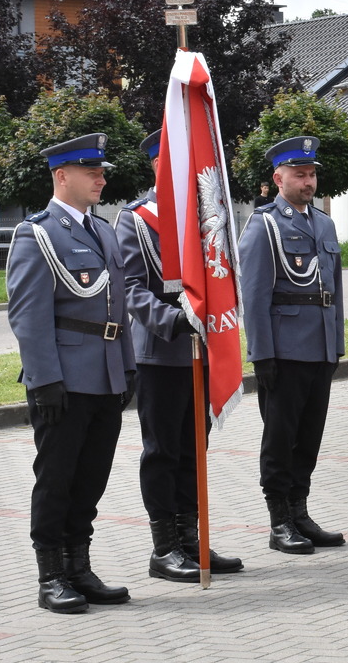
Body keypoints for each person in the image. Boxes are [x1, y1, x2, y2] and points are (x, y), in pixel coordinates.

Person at [6, 132, 136, 613]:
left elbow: (117, 309)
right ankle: (51, 576)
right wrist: (44, 380)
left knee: (91, 478)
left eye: (101, 172)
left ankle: (79, 567)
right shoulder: (37, 234)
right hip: (63, 378)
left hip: (105, 375)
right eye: (91, 172)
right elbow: (28, 315)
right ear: (62, 176)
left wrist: (127, 366)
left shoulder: (103, 231)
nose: (101, 179)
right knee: (56, 478)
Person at [115, 129, 243, 581]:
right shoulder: (136, 220)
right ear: (158, 165)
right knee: (163, 452)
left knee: (194, 450)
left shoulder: (205, 218)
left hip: (201, 350)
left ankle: (192, 540)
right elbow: (131, 288)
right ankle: (164, 548)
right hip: (161, 353)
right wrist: (174, 320)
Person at [239, 135, 346, 554]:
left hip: (319, 347)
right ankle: (279, 519)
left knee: (309, 436)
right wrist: (261, 354)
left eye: (312, 173)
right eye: (300, 174)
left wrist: (336, 344)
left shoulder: (324, 224)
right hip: (284, 351)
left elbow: (334, 291)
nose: (308, 181)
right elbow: (254, 295)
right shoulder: (264, 224)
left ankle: (300, 510)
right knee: (280, 439)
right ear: (278, 178)